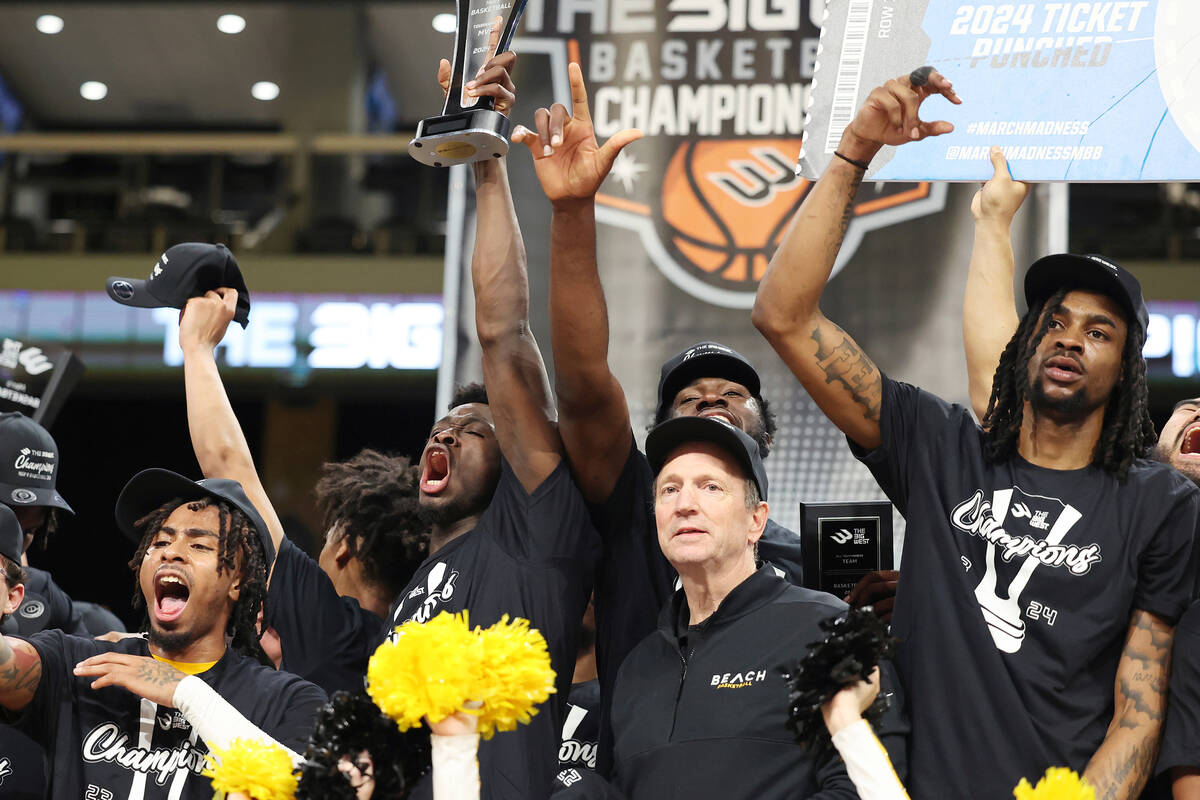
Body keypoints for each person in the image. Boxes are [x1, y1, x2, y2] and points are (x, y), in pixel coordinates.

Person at [752, 69, 1200, 799]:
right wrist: (855, 152)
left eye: (1098, 331)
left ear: (1125, 371)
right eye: (1052, 322)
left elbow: (1139, 709)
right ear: (1024, 346)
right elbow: (785, 316)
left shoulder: (1161, 507)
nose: (1068, 340)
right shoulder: (941, 449)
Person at [510, 62, 806, 774]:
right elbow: (583, 386)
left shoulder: (810, 578)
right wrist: (573, 214)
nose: (709, 401)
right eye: (689, 400)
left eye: (731, 397)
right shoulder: (640, 520)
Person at [608, 415, 907, 798]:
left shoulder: (830, 629)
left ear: (756, 521)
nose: (684, 504)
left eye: (711, 487)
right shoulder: (637, 666)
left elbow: (867, 789)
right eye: (669, 489)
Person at [0, 468, 326, 798]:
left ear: (238, 580)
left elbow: (307, 785)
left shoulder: (287, 700)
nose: (171, 552)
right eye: (161, 541)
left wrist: (186, 693)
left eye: (199, 545)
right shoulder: (80, 665)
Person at [179, 285, 424, 695]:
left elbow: (229, 473)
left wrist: (198, 347)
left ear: (346, 546)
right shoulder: (425, 647)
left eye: (328, 540)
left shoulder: (335, 631)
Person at [0, 412, 89, 637]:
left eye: (29, 531)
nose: (15, 542)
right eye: (3, 521)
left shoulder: (41, 591)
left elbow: (87, 659)